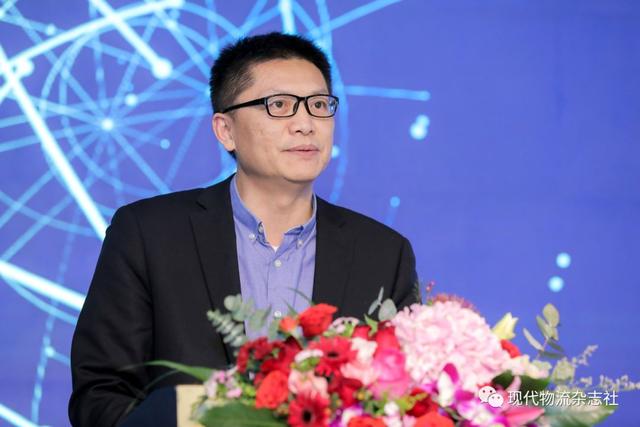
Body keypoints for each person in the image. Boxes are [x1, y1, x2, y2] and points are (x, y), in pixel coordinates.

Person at [69, 32, 419, 426]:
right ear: (226, 130)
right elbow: (100, 394)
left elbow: (410, 399)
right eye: (279, 105)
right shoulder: (148, 234)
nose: (305, 124)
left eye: (319, 105)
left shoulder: (383, 254)